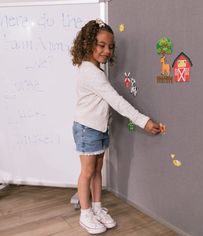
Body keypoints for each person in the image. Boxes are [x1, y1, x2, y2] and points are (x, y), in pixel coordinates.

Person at [70, 19, 163, 235]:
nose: (106, 51)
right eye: (101, 45)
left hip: (98, 127)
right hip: (87, 128)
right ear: (88, 43)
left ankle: (97, 207)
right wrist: (143, 121)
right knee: (87, 172)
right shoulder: (90, 72)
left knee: (97, 170)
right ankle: (85, 214)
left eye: (110, 47)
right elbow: (117, 101)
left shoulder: (95, 69)